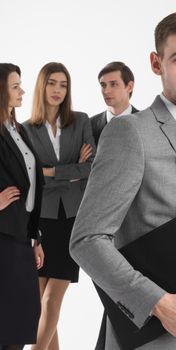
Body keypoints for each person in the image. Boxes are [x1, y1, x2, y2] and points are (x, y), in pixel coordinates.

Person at [70, 11, 176, 350]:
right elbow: (87, 240)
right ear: (156, 63)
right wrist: (157, 302)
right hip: (156, 336)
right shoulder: (130, 132)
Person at [23, 62, 95, 350]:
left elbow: (90, 168)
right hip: (41, 220)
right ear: (42, 86)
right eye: (52, 83)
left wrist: (50, 172)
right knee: (37, 303)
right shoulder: (26, 129)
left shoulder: (81, 121)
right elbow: (29, 177)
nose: (58, 90)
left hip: (73, 219)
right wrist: (70, 171)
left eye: (63, 85)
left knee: (52, 299)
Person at [0, 63, 44, 350]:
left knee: (23, 319)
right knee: (8, 324)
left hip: (21, 237)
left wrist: (35, 238)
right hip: (2, 237)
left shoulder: (17, 129)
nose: (22, 91)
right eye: (15, 87)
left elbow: (32, 185)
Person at [91, 61, 139, 145]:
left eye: (113, 84)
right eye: (103, 85)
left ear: (129, 87)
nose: (106, 91)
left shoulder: (147, 123)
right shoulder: (88, 126)